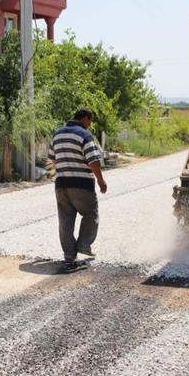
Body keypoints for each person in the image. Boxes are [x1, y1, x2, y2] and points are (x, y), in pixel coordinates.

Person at [48, 108, 108, 270]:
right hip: (81, 185)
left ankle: (69, 257)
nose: (90, 124)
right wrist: (101, 181)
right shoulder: (85, 135)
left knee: (65, 220)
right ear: (85, 119)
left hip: (61, 185)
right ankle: (83, 244)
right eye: (90, 120)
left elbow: (51, 160)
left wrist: (60, 175)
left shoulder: (57, 134)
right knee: (90, 214)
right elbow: (93, 160)